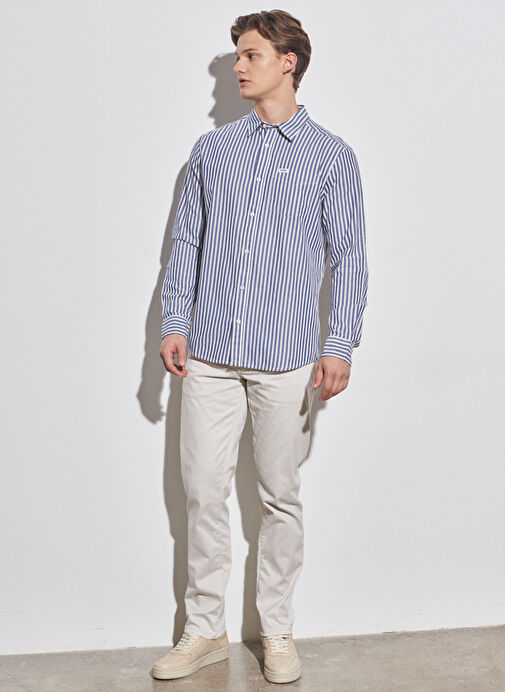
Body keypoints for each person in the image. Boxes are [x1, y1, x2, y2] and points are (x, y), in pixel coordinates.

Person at [153, 9, 369, 685]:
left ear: (287, 62)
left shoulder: (331, 156)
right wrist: (174, 322)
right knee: (202, 493)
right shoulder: (212, 151)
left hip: (287, 359)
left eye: (250, 55)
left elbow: (350, 259)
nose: (239, 67)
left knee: (279, 497)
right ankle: (204, 631)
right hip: (209, 354)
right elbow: (185, 242)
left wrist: (340, 343)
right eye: (237, 57)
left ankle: (276, 629)